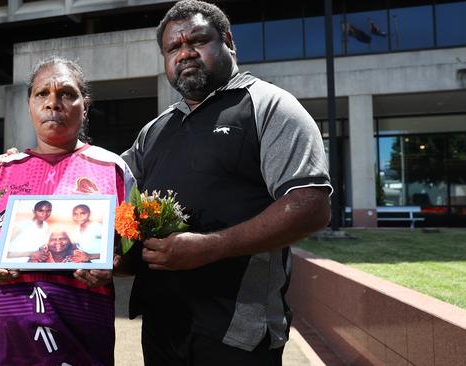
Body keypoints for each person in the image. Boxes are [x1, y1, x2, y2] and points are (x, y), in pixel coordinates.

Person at [118, 1, 332, 364]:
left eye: (197, 40)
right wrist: (18, 168)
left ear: (229, 41)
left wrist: (210, 247)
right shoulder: (154, 131)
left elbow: (310, 205)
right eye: (173, 47)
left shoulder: (270, 106)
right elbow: (103, 185)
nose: (185, 52)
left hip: (238, 333)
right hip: (162, 327)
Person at [0, 56, 134, 366]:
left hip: (83, 339)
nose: (53, 103)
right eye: (42, 94)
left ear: (85, 104)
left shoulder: (113, 170)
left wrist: (113, 266)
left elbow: (135, 256)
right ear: (29, 104)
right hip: (10, 342)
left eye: (67, 94)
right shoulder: (1, 173)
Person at [28, 230, 92, 263]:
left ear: (70, 241)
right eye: (53, 239)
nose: (58, 242)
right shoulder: (39, 257)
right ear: (46, 243)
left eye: (62, 239)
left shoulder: (80, 256)